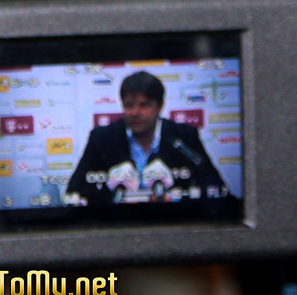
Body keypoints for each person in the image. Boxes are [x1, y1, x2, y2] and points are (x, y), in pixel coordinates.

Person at [66, 71, 229, 206]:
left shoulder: (184, 136)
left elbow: (215, 188)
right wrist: (114, 198)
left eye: (144, 105)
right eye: (129, 105)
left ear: (160, 106)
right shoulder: (102, 138)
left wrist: (175, 201)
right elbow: (75, 192)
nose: (135, 112)